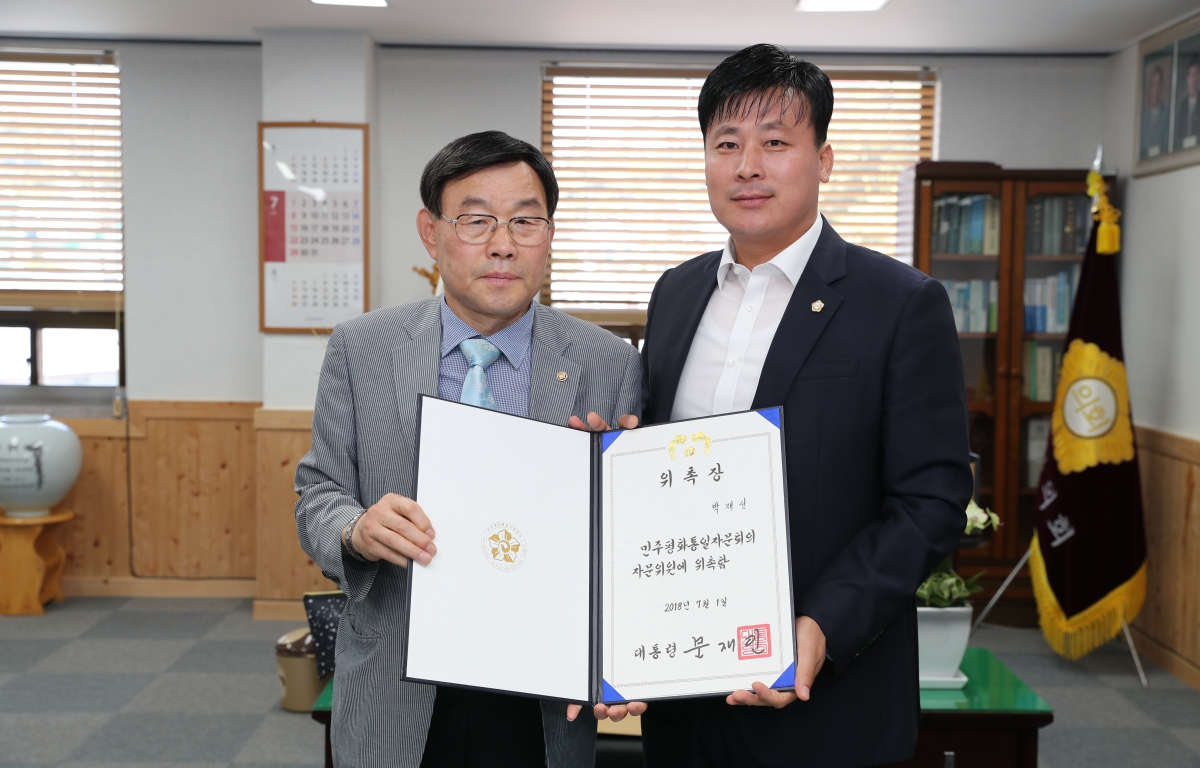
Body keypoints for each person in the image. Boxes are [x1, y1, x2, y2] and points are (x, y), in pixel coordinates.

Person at [637, 44, 973, 767]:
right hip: (681, 697)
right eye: (727, 144)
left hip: (826, 707)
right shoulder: (676, 293)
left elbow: (932, 501)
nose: (747, 167)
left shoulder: (900, 304)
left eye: (775, 143)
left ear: (823, 160)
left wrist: (824, 622)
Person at [294, 130, 642, 768]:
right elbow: (318, 494)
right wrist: (355, 528)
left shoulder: (606, 362)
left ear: (549, 233)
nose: (503, 244)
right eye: (476, 220)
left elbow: (629, 540)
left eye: (525, 221)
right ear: (430, 233)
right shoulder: (360, 347)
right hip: (397, 680)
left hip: (540, 692)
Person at [1141, 65, 1171, 158]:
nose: (1155, 90)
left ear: (1161, 87)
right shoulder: (1144, 118)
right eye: (1153, 85)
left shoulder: (1167, 114)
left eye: (1158, 85)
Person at [1175, 55, 1200, 152]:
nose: (1193, 80)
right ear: (1187, 79)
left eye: (1195, 75)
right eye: (1190, 75)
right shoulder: (1182, 107)